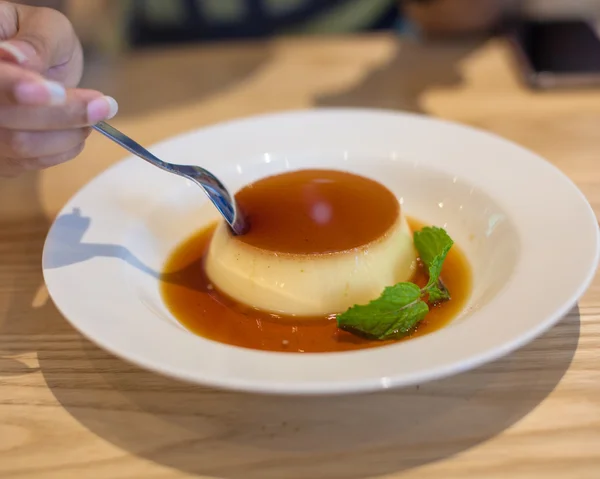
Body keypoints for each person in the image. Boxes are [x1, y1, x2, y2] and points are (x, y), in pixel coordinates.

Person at [0, 0, 512, 177]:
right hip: (150, 77)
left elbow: (457, 19)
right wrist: (28, 40)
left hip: (368, 73)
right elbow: (40, 16)